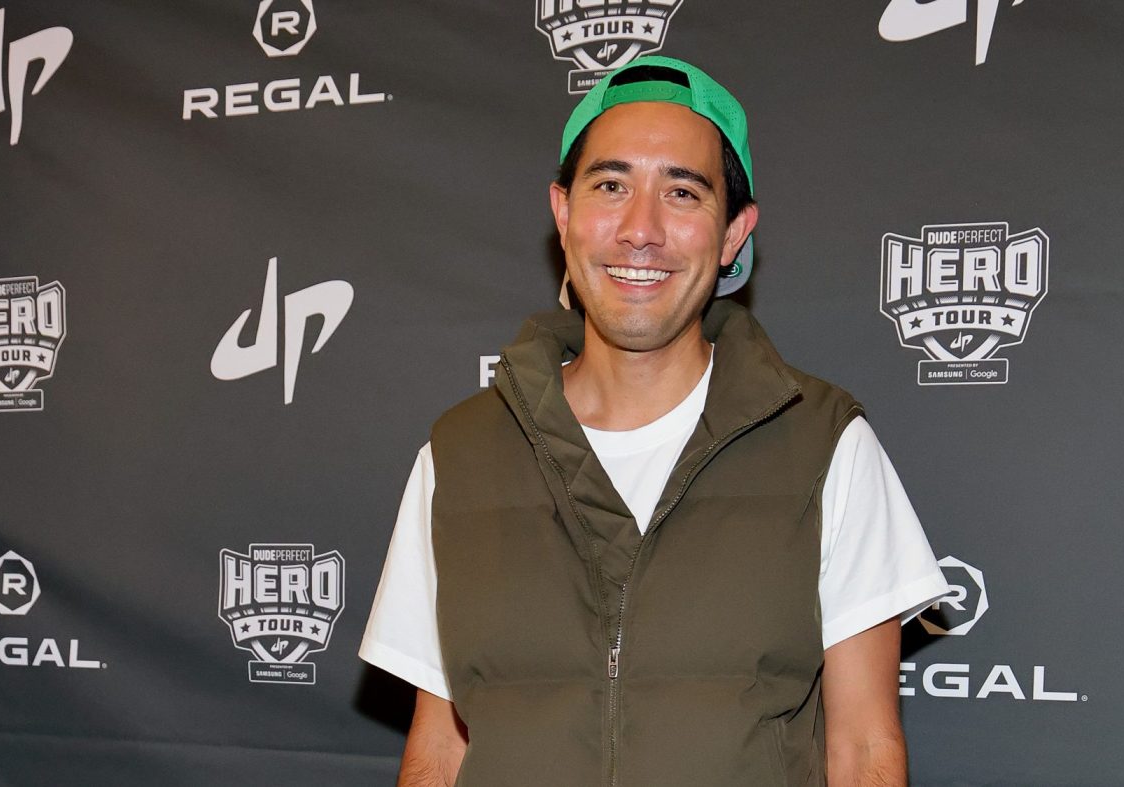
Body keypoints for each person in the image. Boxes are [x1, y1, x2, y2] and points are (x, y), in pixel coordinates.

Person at [360, 56, 947, 786]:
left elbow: (863, 750)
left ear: (733, 233)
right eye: (611, 186)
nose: (641, 230)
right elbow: (438, 750)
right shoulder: (459, 455)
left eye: (682, 192)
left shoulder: (826, 444)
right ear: (564, 213)